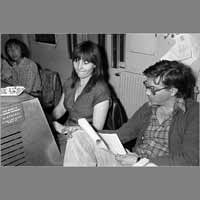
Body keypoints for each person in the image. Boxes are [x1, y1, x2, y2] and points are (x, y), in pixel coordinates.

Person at [63, 60, 199, 166]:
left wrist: (140, 161)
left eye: (153, 89)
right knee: (78, 138)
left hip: (153, 166)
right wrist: (88, 132)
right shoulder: (149, 108)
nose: (147, 92)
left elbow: (190, 159)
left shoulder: (193, 113)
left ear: (172, 91)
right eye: (146, 85)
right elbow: (121, 134)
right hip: (130, 160)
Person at [52, 40, 111, 157]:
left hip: (86, 137)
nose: (79, 67)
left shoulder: (101, 89)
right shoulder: (70, 82)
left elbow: (97, 128)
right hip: (66, 132)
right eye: (76, 60)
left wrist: (65, 129)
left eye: (86, 62)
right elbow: (60, 109)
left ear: (95, 64)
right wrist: (46, 120)